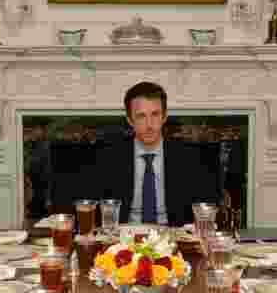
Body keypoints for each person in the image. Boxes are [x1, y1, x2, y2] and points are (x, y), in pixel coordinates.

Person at [94, 81, 220, 228]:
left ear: (164, 117)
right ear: (130, 120)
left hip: (173, 234)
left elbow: (206, 208)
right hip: (125, 234)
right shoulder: (109, 157)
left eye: (155, 114)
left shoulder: (190, 158)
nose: (149, 125)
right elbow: (95, 209)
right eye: (141, 116)